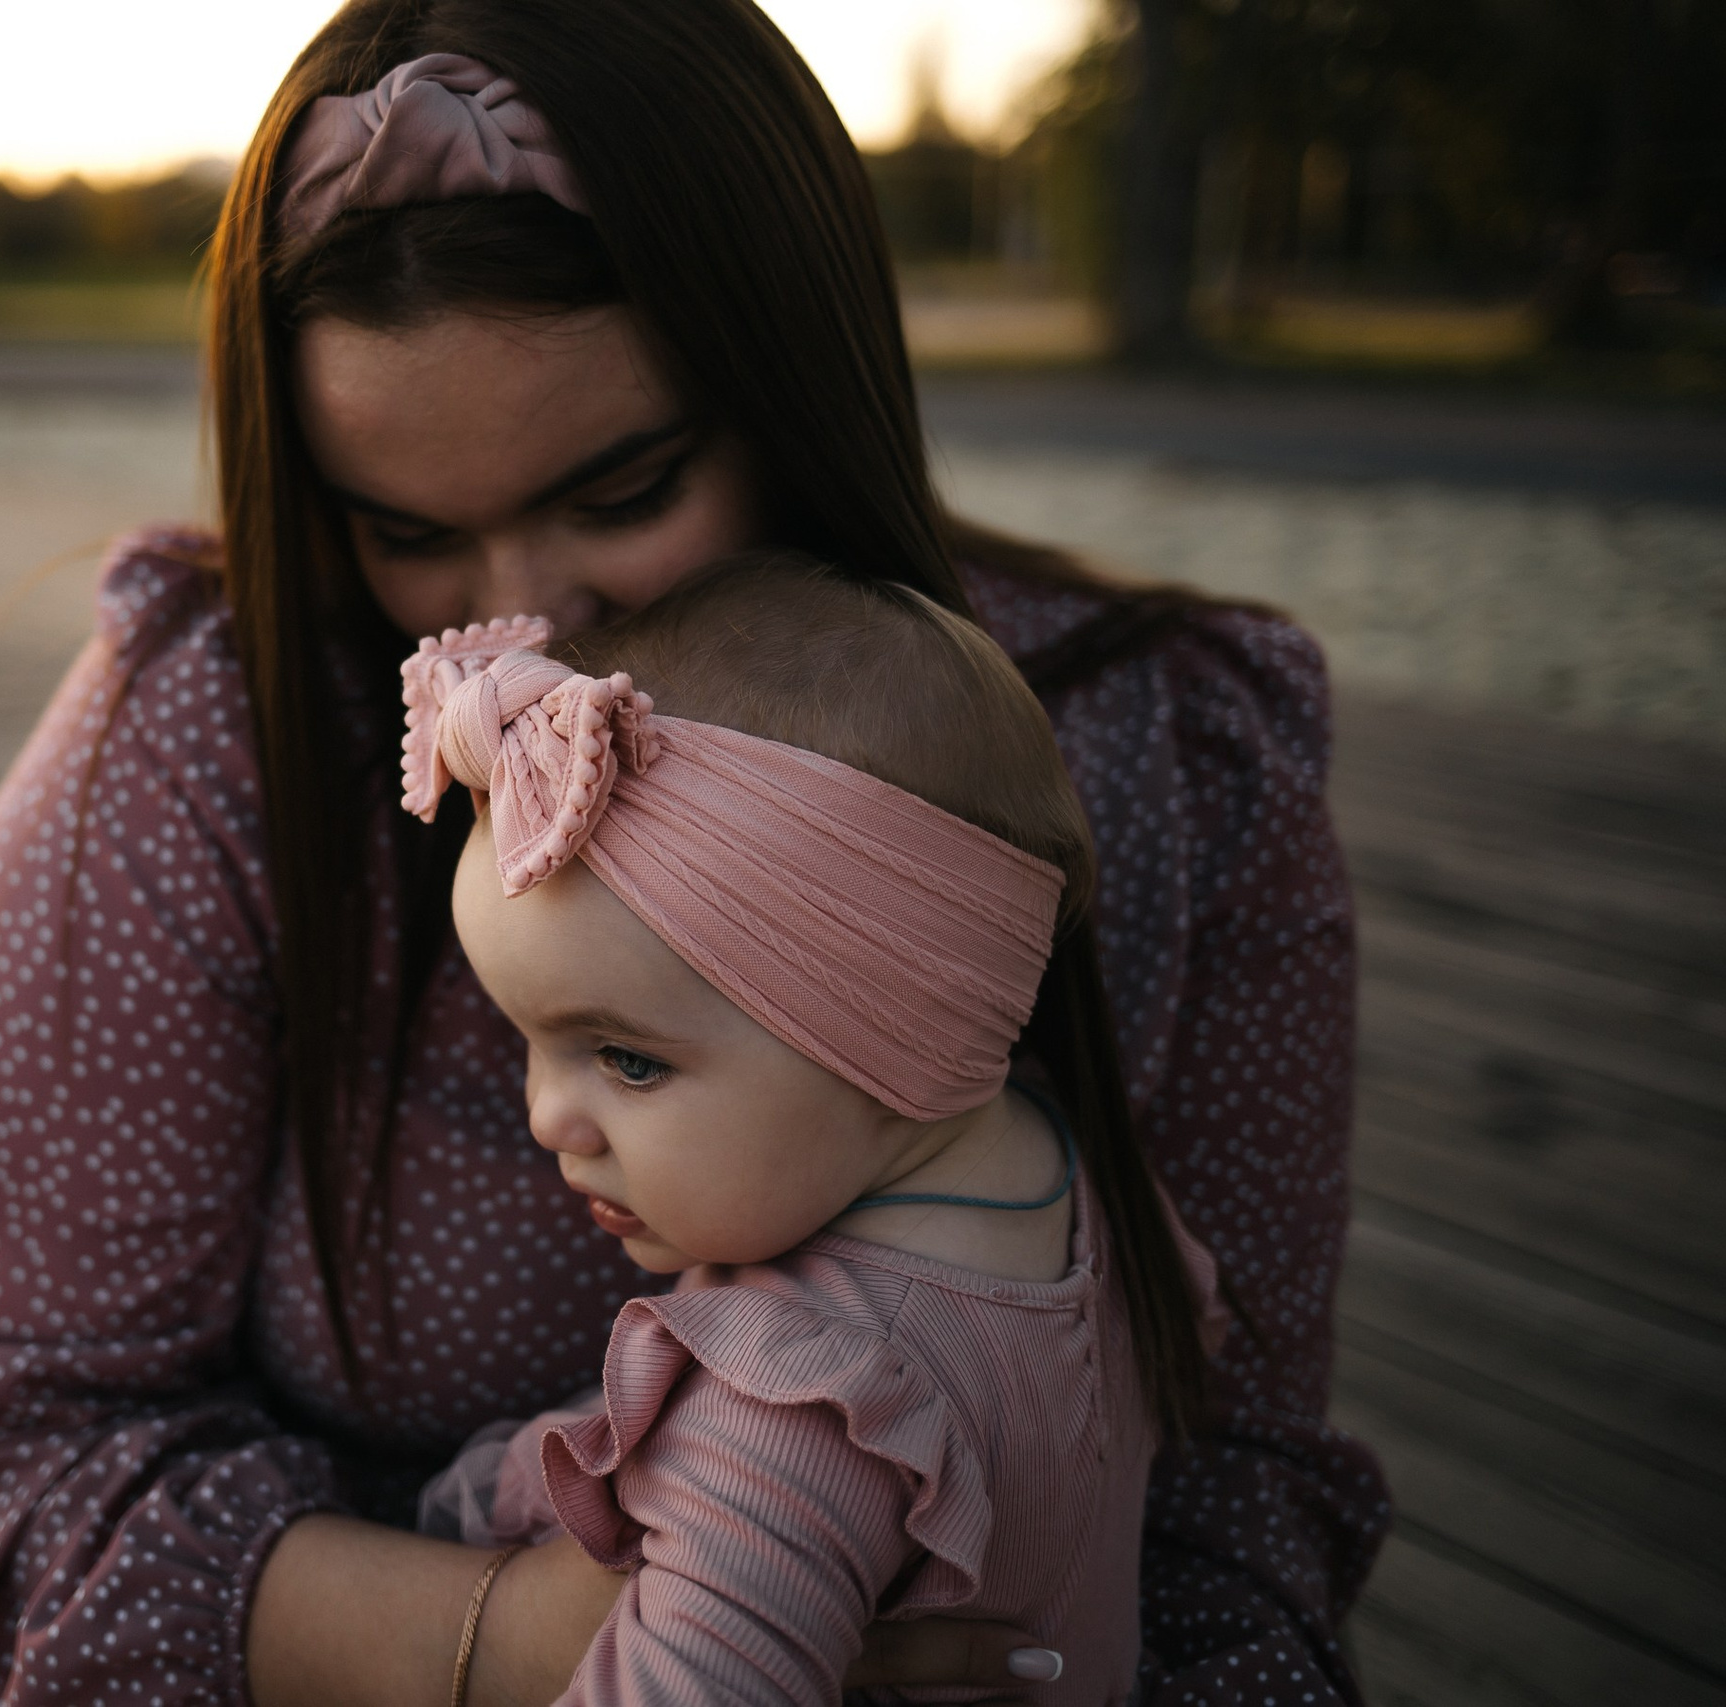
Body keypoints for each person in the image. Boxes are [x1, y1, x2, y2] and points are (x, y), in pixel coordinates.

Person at [0, 4, 1390, 1704]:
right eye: (407, 531)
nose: (522, 619)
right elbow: (31, 1475)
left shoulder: (1171, 752)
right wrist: (549, 1641)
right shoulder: (208, 748)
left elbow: (1233, 1502)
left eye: (628, 486)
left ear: (800, 381)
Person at [404, 558, 1230, 1707]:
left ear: (893, 1035)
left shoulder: (796, 1414)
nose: (546, 1117)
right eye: (528, 1040)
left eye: (627, 1058)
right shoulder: (1069, 1190)